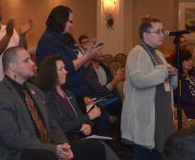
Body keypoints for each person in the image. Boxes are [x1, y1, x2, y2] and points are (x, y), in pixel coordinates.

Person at [0, 47, 73, 160]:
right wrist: (52, 149)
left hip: (45, 149)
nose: (33, 63)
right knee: (47, 156)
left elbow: (52, 123)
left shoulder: (36, 91)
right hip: (15, 154)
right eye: (27, 60)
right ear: (13, 66)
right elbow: (13, 137)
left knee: (94, 147)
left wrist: (64, 145)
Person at [36, 55, 119, 160]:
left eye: (65, 68)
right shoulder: (47, 97)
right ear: (51, 73)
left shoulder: (68, 93)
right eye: (61, 69)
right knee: (98, 147)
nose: (65, 72)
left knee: (101, 144)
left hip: (78, 137)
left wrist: (87, 126)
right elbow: (59, 126)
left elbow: (79, 118)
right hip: (64, 142)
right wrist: (88, 118)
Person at [121, 16, 178, 160]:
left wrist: (173, 74)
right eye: (157, 31)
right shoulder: (137, 52)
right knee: (145, 154)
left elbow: (170, 85)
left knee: (160, 153)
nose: (162, 35)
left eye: (162, 31)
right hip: (146, 116)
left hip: (162, 113)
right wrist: (163, 70)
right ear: (146, 35)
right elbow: (139, 80)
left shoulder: (158, 54)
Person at [36, 5, 101, 113]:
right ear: (61, 21)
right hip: (65, 93)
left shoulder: (65, 37)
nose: (72, 25)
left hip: (78, 90)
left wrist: (88, 54)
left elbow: (79, 63)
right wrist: (87, 56)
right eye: (70, 22)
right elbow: (67, 67)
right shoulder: (48, 41)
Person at [172, 49, 195, 119]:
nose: (190, 62)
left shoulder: (192, 75)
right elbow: (179, 99)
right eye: (186, 60)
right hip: (187, 109)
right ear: (179, 62)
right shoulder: (177, 78)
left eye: (191, 59)